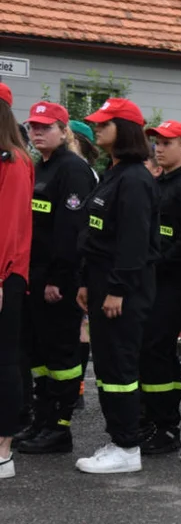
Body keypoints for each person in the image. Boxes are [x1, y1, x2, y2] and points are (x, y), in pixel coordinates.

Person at [74, 98, 158, 474]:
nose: (98, 129)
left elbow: (133, 242)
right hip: (102, 282)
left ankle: (127, 447)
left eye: (105, 124)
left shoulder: (136, 179)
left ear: (123, 130)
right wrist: (86, 282)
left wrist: (117, 289)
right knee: (108, 365)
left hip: (122, 288)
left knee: (119, 366)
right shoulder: (115, 172)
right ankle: (119, 438)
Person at [15, 100, 97, 456]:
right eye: (33, 126)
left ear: (64, 131)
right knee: (38, 354)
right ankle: (43, 419)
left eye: (46, 127)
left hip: (57, 281)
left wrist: (58, 279)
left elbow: (71, 232)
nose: (37, 132)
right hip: (34, 276)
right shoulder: (39, 167)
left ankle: (60, 427)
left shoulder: (72, 170)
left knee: (62, 356)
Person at [138, 121, 181, 455]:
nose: (158, 148)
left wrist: (157, 261)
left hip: (173, 283)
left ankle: (167, 427)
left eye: (166, 143)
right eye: (156, 143)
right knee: (150, 353)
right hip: (154, 281)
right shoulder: (159, 183)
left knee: (158, 352)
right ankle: (152, 418)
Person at [0, 83, 35, 479]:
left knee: (5, 361)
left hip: (5, 274)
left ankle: (3, 450)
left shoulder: (11, 160)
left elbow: (8, 227)